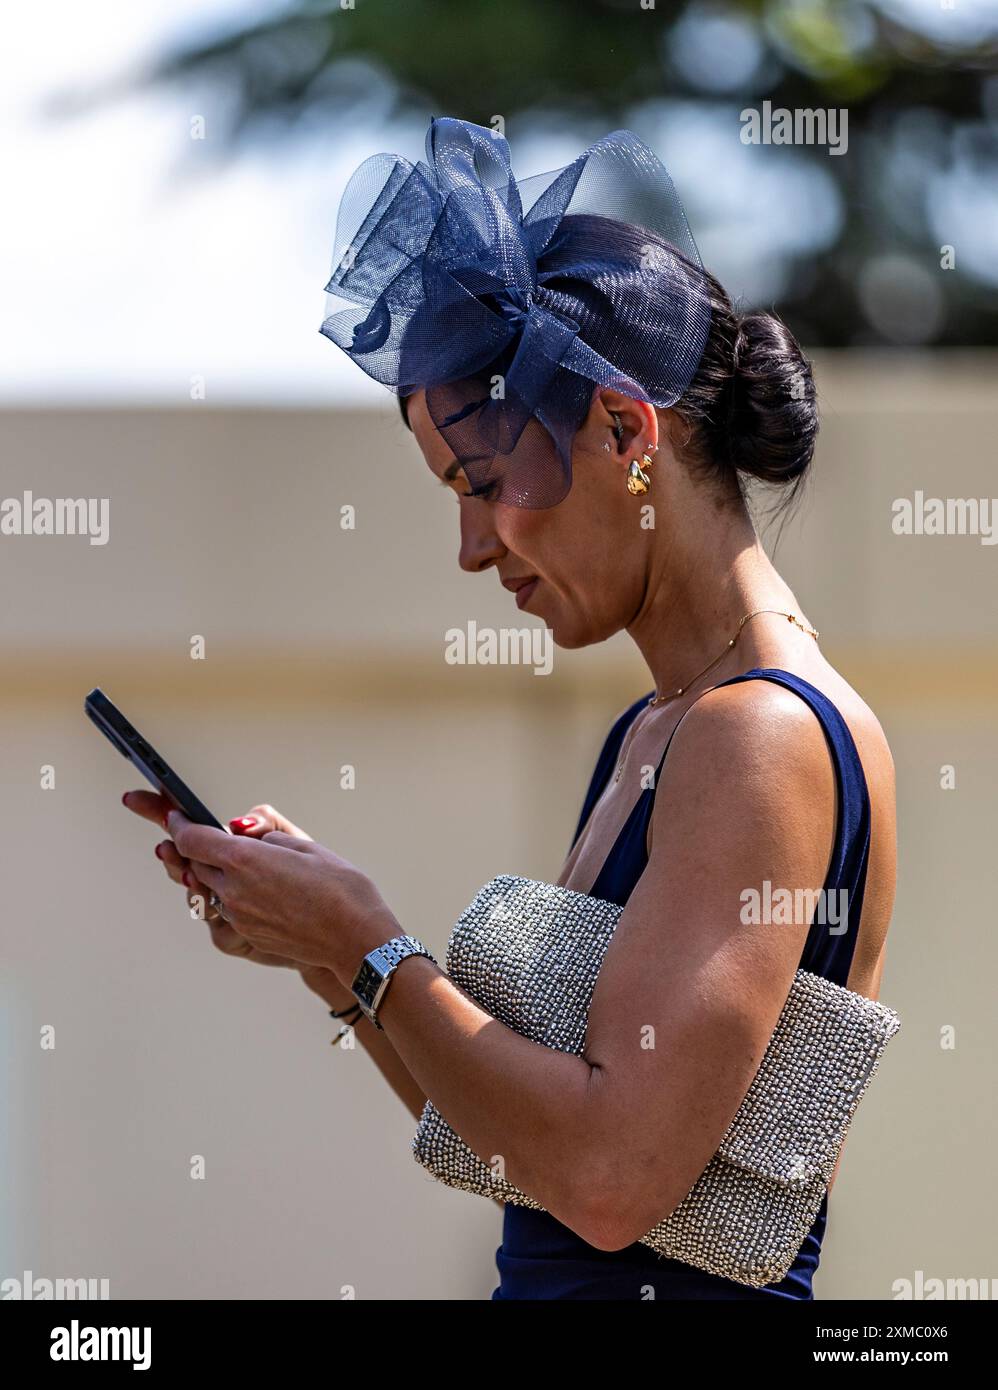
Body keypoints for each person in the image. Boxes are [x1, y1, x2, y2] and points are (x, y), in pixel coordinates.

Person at [122, 118, 897, 1299]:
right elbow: (526, 1153)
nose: (472, 548)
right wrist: (336, 963)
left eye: (484, 485)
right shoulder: (660, 730)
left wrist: (364, 938)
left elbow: (610, 1180)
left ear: (626, 430)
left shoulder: (758, 734)